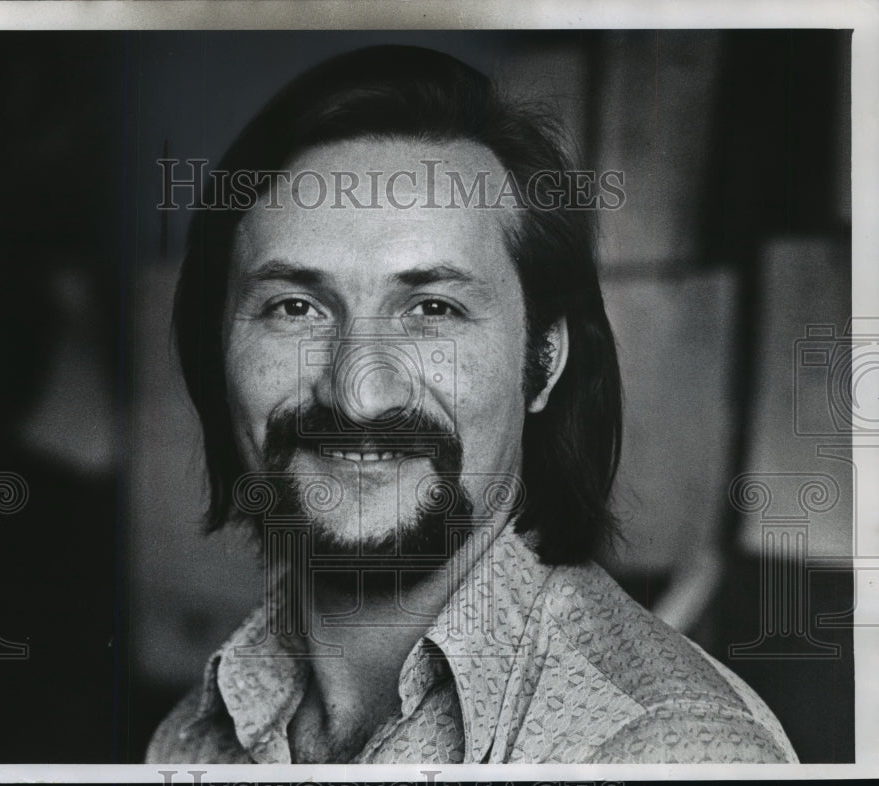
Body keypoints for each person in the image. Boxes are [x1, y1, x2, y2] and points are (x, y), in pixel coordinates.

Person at [147, 44, 798, 764]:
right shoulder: (193, 736)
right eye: (295, 307)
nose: (361, 390)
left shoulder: (666, 749)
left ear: (544, 361)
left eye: (432, 308)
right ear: (217, 354)